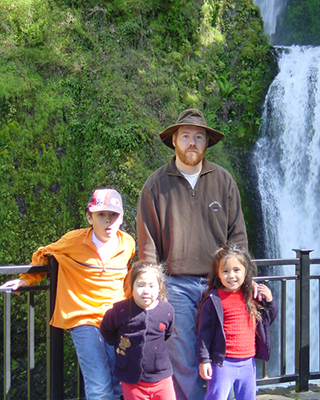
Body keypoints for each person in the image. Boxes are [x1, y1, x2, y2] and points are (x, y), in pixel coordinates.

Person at [136, 108, 248, 400]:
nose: (192, 142)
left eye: (199, 136)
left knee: (222, 352)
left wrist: (245, 282)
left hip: (219, 285)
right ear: (173, 140)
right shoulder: (156, 184)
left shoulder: (223, 181)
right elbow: (147, 243)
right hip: (175, 284)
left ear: (207, 143)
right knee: (183, 355)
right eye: (185, 135)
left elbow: (238, 235)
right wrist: (150, 288)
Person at [0, 188, 136, 400]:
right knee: (99, 386)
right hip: (83, 318)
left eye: (113, 215)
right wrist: (26, 279)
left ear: (121, 218)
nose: (108, 221)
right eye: (101, 215)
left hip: (116, 320)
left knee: (118, 382)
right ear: (89, 217)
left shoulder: (128, 244)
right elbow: (43, 254)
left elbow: (130, 274)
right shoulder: (72, 241)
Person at [197, 245, 278, 400]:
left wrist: (270, 301)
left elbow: (267, 320)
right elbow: (204, 334)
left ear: (245, 271)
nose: (231, 275)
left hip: (248, 362)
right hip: (222, 363)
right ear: (218, 274)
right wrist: (204, 360)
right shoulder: (214, 299)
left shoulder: (251, 296)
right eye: (225, 271)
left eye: (236, 270)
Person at [100, 261, 176, 400]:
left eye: (152, 286)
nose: (146, 290)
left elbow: (167, 333)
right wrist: (120, 344)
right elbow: (106, 329)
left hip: (161, 377)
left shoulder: (167, 311)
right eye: (140, 285)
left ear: (159, 288)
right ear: (132, 286)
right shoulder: (120, 311)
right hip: (132, 379)